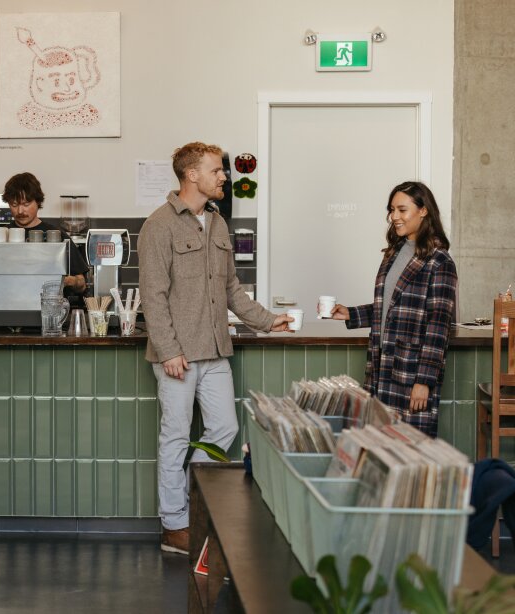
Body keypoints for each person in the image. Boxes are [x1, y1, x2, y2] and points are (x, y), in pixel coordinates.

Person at [138, 142, 293, 555]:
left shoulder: (218, 224)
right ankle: (175, 526)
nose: (224, 176)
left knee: (224, 428)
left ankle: (195, 500)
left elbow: (230, 290)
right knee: (174, 436)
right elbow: (152, 295)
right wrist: (169, 350)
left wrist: (266, 319)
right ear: (191, 175)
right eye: (216, 170)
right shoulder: (159, 226)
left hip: (214, 350)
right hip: (178, 355)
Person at [327, 181, 457, 437]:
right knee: (378, 445)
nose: (394, 217)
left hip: (411, 372)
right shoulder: (395, 253)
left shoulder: (440, 261)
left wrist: (424, 381)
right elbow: (392, 306)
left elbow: (438, 326)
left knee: (411, 449)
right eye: (391, 210)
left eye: (402, 210)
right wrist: (351, 313)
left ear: (423, 211)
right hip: (381, 365)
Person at [2, 172, 88, 293]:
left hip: (49, 308)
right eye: (14, 204)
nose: (20, 211)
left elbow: (82, 283)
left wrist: (67, 281)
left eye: (26, 204)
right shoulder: (1, 236)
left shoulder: (57, 235)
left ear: (38, 202)